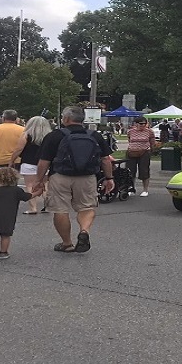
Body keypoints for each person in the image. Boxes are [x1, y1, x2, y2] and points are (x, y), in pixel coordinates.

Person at [34, 106, 114, 254]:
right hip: (87, 177)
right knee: (87, 207)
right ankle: (84, 231)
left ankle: (67, 243)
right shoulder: (94, 135)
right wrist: (109, 178)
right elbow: (106, 159)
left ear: (66, 119)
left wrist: (39, 181)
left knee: (60, 209)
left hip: (60, 176)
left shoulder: (54, 136)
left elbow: (43, 162)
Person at [0, 166, 40, 263]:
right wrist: (38, 192)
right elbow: (28, 196)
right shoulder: (16, 190)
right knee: (5, 235)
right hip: (8, 218)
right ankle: (3, 252)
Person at [9, 116, 52, 215]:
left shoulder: (26, 135)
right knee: (45, 185)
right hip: (46, 163)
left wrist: (12, 160)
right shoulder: (49, 136)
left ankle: (33, 208)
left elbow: (18, 149)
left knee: (30, 185)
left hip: (28, 163)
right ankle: (47, 206)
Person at [125, 116, 156, 196]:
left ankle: (145, 190)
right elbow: (129, 140)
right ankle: (131, 188)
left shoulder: (149, 132)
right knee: (130, 171)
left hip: (144, 152)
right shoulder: (130, 131)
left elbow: (152, 142)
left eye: (145, 124)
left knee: (144, 171)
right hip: (132, 152)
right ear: (136, 124)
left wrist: (151, 150)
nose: (143, 125)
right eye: (141, 124)